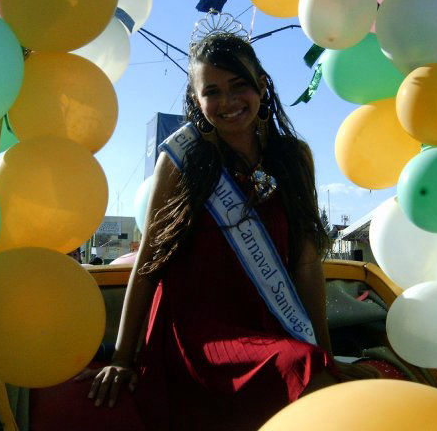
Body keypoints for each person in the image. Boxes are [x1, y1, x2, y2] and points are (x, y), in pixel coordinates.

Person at [78, 27, 378, 430]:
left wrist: (322, 354)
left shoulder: (294, 157)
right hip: (196, 331)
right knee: (303, 374)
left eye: (239, 85)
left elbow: (307, 263)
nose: (228, 102)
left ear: (262, 85)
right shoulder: (182, 159)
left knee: (310, 371)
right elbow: (148, 261)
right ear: (196, 99)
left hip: (269, 320)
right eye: (212, 91)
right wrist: (122, 357)